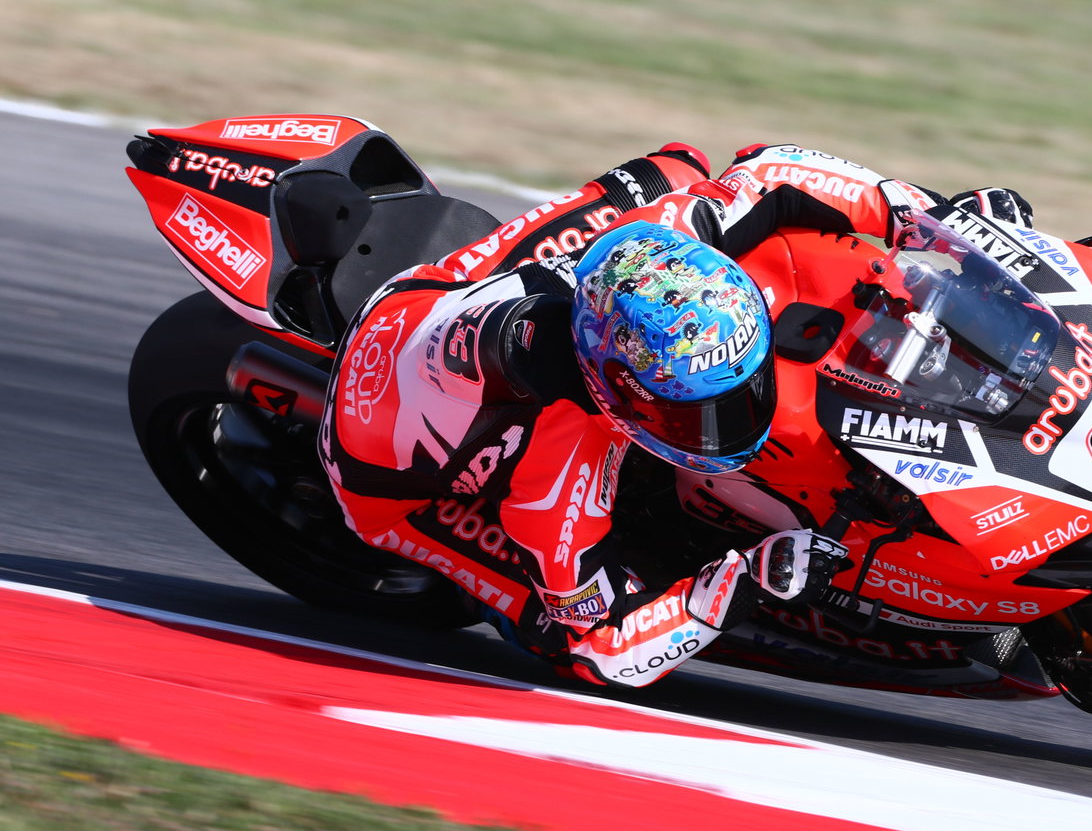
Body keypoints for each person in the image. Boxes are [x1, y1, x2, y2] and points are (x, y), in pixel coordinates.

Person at [317, 140, 1032, 687]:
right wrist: (742, 583)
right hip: (382, 472)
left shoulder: (666, 237)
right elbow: (602, 647)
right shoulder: (552, 477)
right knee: (552, 628)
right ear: (617, 398)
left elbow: (770, 169)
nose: (736, 421)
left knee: (674, 167)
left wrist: (929, 216)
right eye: (704, 414)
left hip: (447, 292)